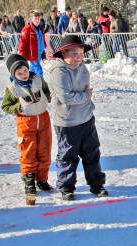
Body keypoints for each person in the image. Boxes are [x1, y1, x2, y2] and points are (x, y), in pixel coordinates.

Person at [45, 35, 108, 201]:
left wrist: (85, 98)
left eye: (80, 53)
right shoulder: (59, 71)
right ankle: (66, 188)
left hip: (86, 118)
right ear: (63, 53)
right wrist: (86, 97)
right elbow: (66, 97)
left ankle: (96, 185)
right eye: (73, 53)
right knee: (68, 157)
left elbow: (84, 90)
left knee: (92, 153)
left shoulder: (82, 67)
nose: (78, 57)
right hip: (67, 122)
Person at [1, 54, 53, 205]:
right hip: (26, 123)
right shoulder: (12, 89)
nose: (24, 74)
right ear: (13, 75)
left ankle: (42, 180)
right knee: (28, 154)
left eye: (25, 70)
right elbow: (5, 106)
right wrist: (18, 107)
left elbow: (46, 90)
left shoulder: (37, 78)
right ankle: (30, 185)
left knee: (45, 151)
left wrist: (48, 99)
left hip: (43, 119)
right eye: (19, 73)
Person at [18, 11, 46, 77]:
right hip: (33, 55)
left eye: (38, 19)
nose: (37, 20)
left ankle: (29, 81)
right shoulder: (27, 29)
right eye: (35, 19)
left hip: (39, 54)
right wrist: (22, 57)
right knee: (39, 72)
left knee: (32, 71)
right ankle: (42, 84)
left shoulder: (40, 28)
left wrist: (43, 53)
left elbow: (42, 41)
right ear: (32, 19)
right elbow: (22, 43)